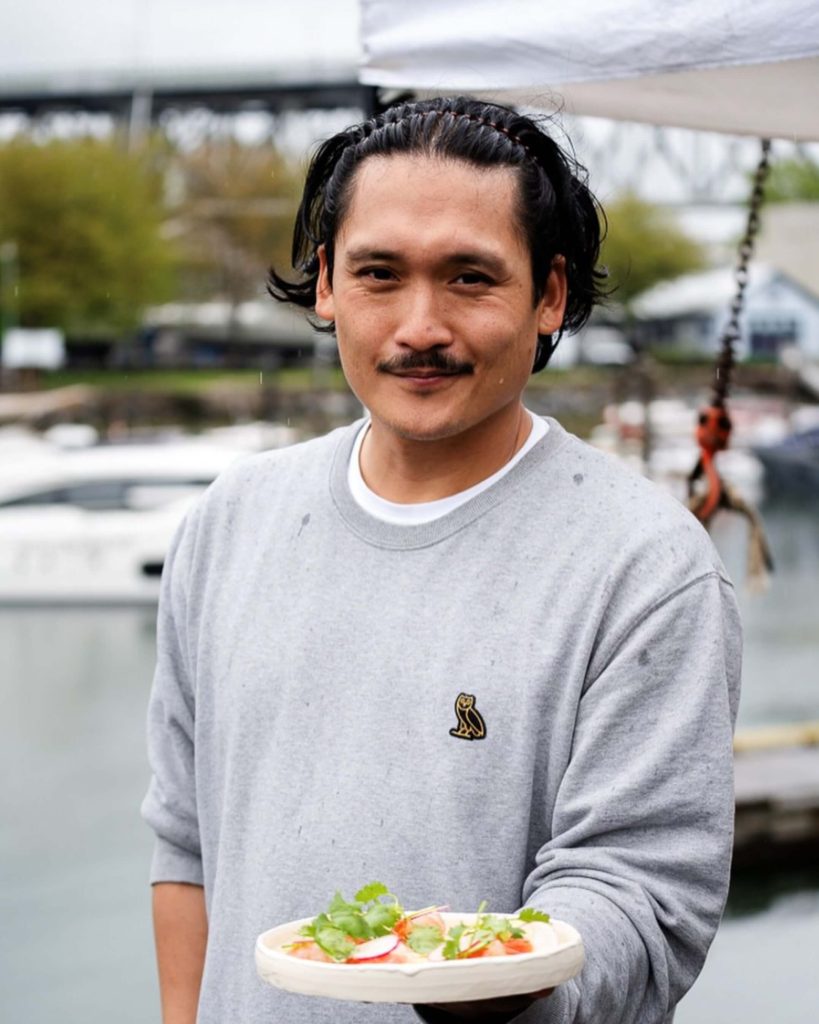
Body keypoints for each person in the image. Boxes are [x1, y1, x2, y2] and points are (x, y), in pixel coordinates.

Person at [142, 96, 741, 1024]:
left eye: (469, 278)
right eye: (379, 274)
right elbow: (185, 846)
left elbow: (643, 893)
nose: (419, 326)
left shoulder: (645, 565)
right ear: (327, 283)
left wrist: (500, 985)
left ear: (549, 294)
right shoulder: (231, 521)